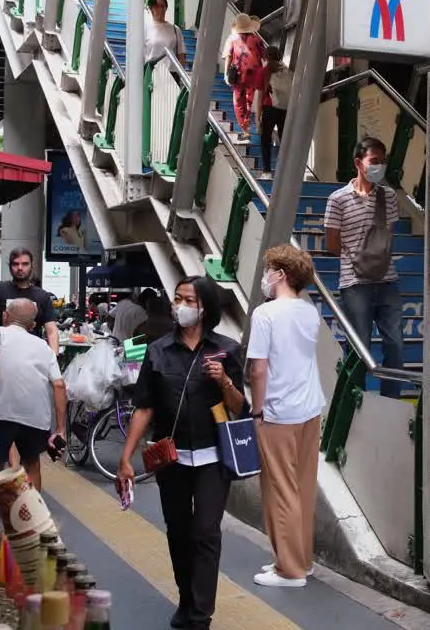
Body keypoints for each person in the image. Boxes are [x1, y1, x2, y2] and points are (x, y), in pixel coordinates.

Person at [116, 276, 245, 630]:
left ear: (205, 308)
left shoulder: (227, 350)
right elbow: (144, 407)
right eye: (177, 298)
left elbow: (239, 407)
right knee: (177, 529)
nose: (180, 305)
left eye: (188, 300)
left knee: (205, 531)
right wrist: (126, 459)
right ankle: (186, 597)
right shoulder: (158, 350)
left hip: (213, 457)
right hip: (170, 459)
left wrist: (224, 381)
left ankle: (201, 615)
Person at [248, 246, 326, 588]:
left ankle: (289, 570)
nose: (265, 276)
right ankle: (300, 560)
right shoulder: (310, 312)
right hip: (310, 408)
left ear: (280, 274)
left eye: (269, 269)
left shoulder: (265, 315)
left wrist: (257, 409)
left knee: (280, 490)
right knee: (302, 488)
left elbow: (259, 369)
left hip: (278, 411)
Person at [323, 137, 404, 397]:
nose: (379, 166)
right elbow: (332, 243)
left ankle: (391, 399)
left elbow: (387, 235)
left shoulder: (388, 196)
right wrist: (355, 254)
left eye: (383, 161)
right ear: (359, 163)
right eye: (374, 161)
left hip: (387, 279)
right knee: (359, 347)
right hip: (355, 283)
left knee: (396, 345)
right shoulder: (338, 199)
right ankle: (354, 398)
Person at [0, 299, 68, 492]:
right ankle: (33, 515)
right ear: (33, 325)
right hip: (35, 416)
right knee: (32, 463)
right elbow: (59, 385)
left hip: (0, 413)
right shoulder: (44, 346)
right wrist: (60, 428)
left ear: (4, 316)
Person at [0, 248, 58, 380]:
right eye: (15, 264)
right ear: (10, 266)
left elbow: (51, 331)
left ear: (32, 266)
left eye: (25, 264)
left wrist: (54, 363)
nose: (20, 268)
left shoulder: (42, 296)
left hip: (31, 363)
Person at [222, 13, 266, 142]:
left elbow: (229, 56)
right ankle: (250, 124)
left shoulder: (232, 38)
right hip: (255, 74)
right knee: (249, 100)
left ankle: (245, 130)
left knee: (238, 102)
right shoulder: (257, 39)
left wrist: (226, 74)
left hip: (239, 76)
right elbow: (264, 56)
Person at [256, 46, 292, 177]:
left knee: (266, 140)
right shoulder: (287, 72)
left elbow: (260, 97)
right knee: (284, 141)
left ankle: (266, 171)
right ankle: (286, 171)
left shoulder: (263, 72)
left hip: (269, 108)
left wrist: (257, 118)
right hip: (284, 109)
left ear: (266, 57)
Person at [145, 0, 185, 68]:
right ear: (151, 8)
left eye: (162, 6)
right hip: (152, 73)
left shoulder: (175, 29)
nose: (160, 9)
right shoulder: (146, 28)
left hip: (171, 74)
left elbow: (181, 55)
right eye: (157, 6)